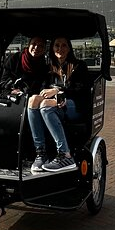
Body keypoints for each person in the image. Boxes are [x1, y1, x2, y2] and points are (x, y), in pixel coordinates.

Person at [28, 36, 90, 173]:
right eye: (57, 45)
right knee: (32, 100)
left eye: (63, 45)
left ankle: (65, 155)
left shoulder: (79, 66)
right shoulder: (48, 67)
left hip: (74, 104)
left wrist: (58, 91)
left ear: (69, 49)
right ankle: (41, 153)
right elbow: (39, 87)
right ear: (52, 48)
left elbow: (81, 90)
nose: (60, 49)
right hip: (53, 104)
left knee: (46, 104)